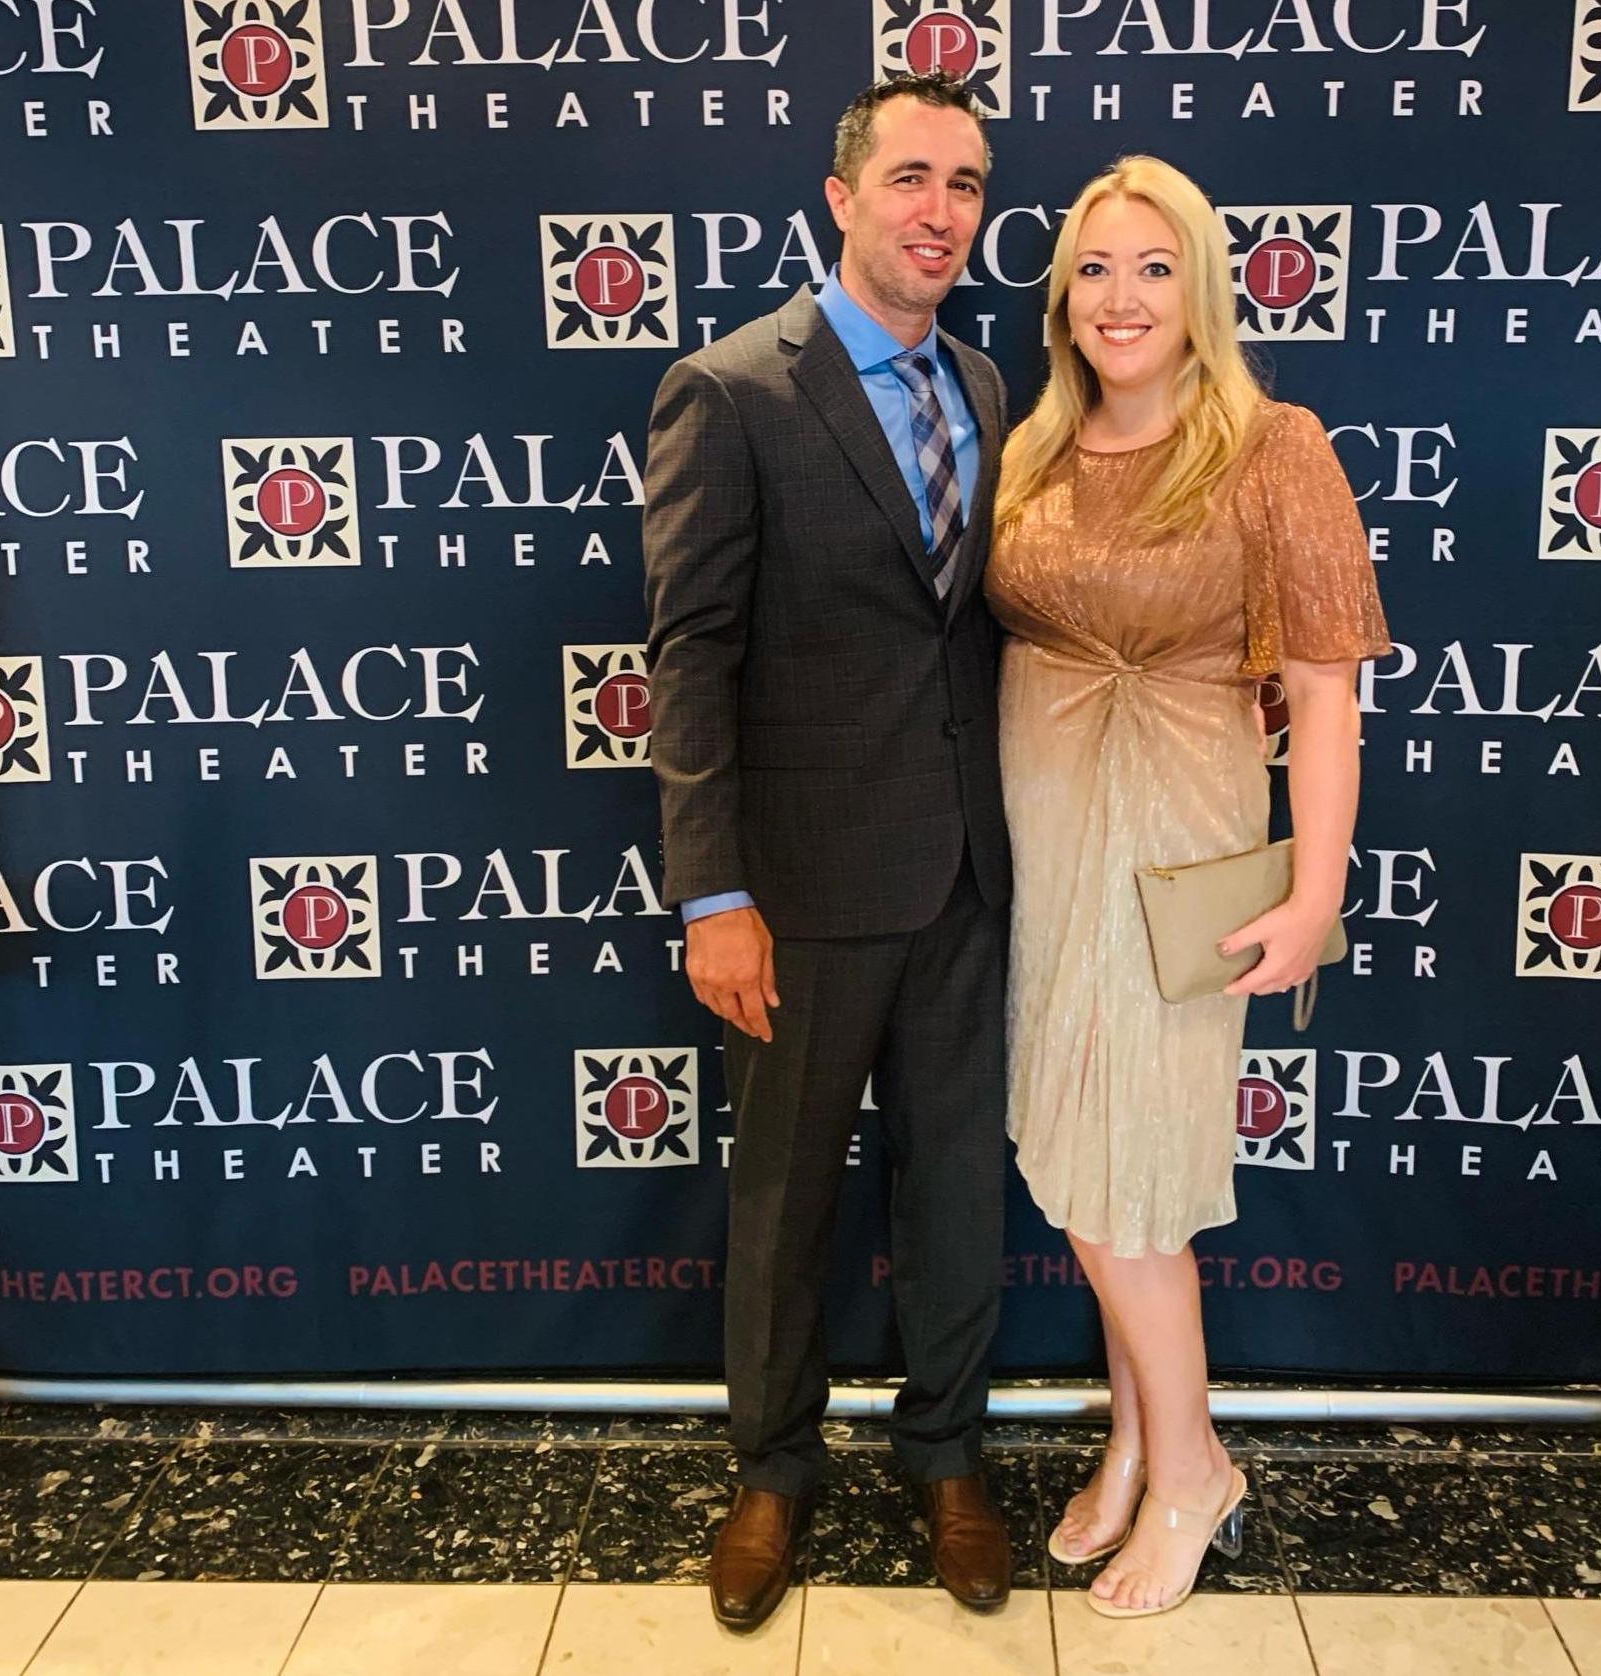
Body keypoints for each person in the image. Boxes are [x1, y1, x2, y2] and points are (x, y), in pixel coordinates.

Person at [985, 155, 1390, 1620]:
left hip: (1180, 846)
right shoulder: (1033, 448)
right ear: (1062, 298)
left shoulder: (1271, 448)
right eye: (1095, 269)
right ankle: (1139, 1438)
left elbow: (1326, 692)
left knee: (1137, 1190)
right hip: (1045, 848)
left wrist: (1315, 893)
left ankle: (1196, 1469)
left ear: (1204, 288)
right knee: (1080, 1166)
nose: (1122, 297)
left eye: (1155, 267)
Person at [642, 73, 1014, 1632]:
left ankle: (948, 1458)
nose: (942, 211)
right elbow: (691, 656)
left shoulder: (987, 386)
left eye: (967, 185)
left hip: (972, 879)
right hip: (797, 892)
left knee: (958, 1195)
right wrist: (715, 894)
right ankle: (773, 1471)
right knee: (786, 1200)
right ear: (842, 196)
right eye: (913, 178)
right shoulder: (731, 390)